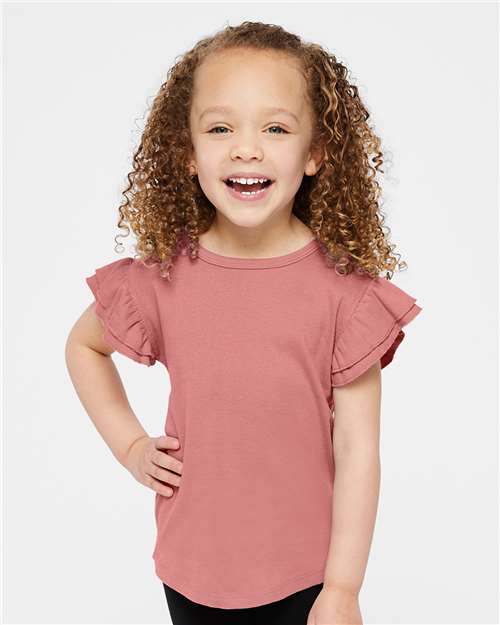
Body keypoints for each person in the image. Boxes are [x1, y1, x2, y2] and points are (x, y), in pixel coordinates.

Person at [65, 21, 423, 625]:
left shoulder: (347, 296)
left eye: (275, 128)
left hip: (305, 576)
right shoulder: (161, 276)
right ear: (187, 152)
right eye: (220, 128)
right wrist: (130, 446)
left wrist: (343, 586)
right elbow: (84, 346)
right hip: (189, 569)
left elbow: (359, 450)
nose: (246, 149)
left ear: (315, 153)